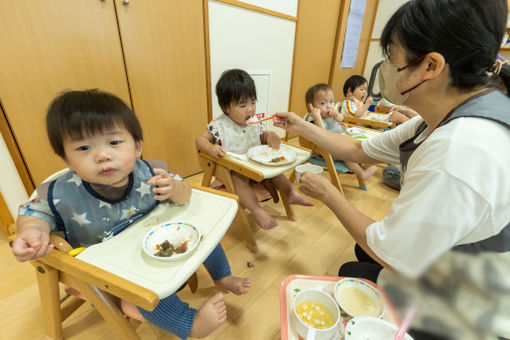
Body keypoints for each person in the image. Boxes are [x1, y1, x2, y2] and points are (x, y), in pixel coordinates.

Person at [273, 0, 510, 339]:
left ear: (430, 65)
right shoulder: (440, 117)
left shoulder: (459, 151)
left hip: (467, 312)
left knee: (355, 265)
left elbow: (390, 253)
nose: (385, 67)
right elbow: (357, 148)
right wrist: (302, 126)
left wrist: (328, 193)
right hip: (455, 265)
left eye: (392, 57)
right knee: (359, 254)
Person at [11, 89, 251, 340]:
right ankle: (189, 324)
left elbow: (186, 194)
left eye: (114, 142)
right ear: (67, 160)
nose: (102, 155)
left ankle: (222, 277)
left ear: (137, 147)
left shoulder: (150, 172)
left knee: (204, 236)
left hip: (155, 245)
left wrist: (176, 188)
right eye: (83, 147)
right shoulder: (62, 194)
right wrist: (32, 232)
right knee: (147, 295)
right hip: (112, 270)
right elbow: (33, 211)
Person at [196, 69, 312, 230]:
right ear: (225, 107)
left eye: (252, 102)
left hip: (256, 165)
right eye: (243, 105)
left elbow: (261, 136)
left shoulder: (254, 121)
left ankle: (291, 192)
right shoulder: (219, 126)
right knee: (239, 179)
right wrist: (210, 147)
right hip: (234, 168)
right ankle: (257, 210)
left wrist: (269, 135)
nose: (250, 109)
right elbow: (200, 139)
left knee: (277, 171)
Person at [305, 83, 377, 181]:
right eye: (323, 103)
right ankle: (362, 173)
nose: (329, 106)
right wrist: (317, 117)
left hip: (338, 143)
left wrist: (337, 115)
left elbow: (341, 119)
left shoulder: (330, 115)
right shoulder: (313, 119)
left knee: (357, 145)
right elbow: (322, 134)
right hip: (324, 152)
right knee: (347, 155)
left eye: (331, 102)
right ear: (311, 107)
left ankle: (368, 158)